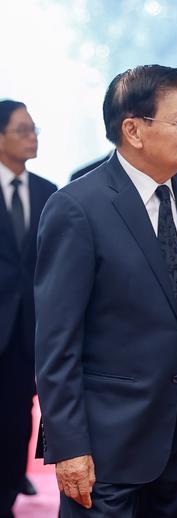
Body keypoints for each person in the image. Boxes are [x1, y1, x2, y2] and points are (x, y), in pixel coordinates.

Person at [35, 64, 177, 518]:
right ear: (133, 130)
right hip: (108, 444)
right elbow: (56, 341)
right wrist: (69, 445)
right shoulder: (77, 207)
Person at [0, 100, 57, 518]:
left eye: (34, 128)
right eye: (22, 129)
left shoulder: (47, 191)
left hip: (28, 331)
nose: (32, 136)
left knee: (19, 420)